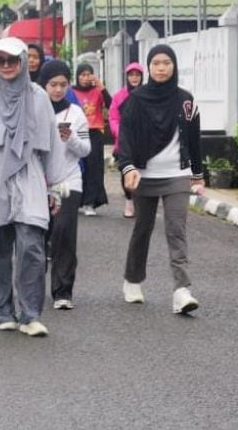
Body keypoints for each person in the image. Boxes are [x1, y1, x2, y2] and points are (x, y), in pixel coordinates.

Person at [0, 37, 66, 337]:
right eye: (0, 60)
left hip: (29, 173)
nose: (6, 66)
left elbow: (52, 142)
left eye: (12, 60)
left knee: (32, 245)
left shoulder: (38, 97)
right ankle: (2, 312)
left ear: (23, 62)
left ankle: (30, 314)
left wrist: (55, 185)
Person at [117, 44, 202, 314]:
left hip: (177, 174)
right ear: (149, 67)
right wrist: (127, 166)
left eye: (166, 63)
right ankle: (133, 280)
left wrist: (198, 175)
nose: (161, 68)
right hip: (144, 175)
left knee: (176, 230)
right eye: (156, 63)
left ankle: (181, 291)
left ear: (174, 66)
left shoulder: (186, 100)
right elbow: (125, 137)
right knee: (143, 227)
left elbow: (194, 139)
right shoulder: (136, 100)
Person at [38, 60, 91, 310]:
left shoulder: (76, 113)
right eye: (53, 84)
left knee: (64, 234)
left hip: (69, 181)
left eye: (63, 84)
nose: (58, 89)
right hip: (37, 183)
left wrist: (70, 139)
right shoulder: (34, 110)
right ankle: (33, 286)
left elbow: (86, 149)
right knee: (37, 236)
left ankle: (63, 291)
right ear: (43, 85)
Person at [72, 63, 111, 215]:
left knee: (94, 168)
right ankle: (76, 200)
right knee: (78, 167)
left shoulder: (98, 91)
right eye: (82, 75)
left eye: (89, 74)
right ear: (77, 76)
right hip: (77, 132)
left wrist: (102, 88)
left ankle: (90, 202)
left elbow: (111, 104)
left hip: (94, 132)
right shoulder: (71, 92)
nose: (86, 78)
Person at [109, 62, 145, 218]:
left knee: (142, 172)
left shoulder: (147, 94)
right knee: (126, 171)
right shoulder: (119, 96)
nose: (134, 78)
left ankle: (141, 203)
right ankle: (129, 201)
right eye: (131, 75)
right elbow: (113, 117)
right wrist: (120, 133)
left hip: (143, 142)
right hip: (124, 142)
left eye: (137, 75)